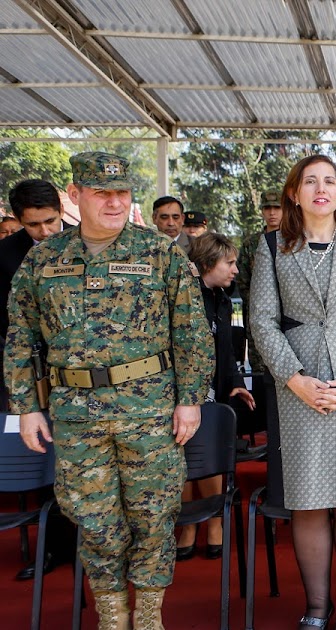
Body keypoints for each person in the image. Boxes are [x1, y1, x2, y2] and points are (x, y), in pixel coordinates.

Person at [5, 151, 211, 629]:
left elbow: (193, 332)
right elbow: (21, 336)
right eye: (102, 193)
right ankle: (112, 617)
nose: (115, 202)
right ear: (76, 196)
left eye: (122, 193)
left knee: (154, 516)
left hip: (150, 410)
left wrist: (190, 400)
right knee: (94, 521)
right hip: (76, 414)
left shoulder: (159, 253)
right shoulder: (44, 258)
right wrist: (27, 409)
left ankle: (149, 618)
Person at [249, 155, 336, 629]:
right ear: (294, 192)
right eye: (310, 181)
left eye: (330, 181)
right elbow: (262, 321)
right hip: (297, 384)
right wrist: (294, 378)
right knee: (307, 498)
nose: (321, 188)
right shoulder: (271, 246)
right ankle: (315, 606)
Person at [1, 178, 71, 581]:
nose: (44, 233)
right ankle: (53, 548)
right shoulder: (6, 257)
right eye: (33, 226)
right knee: (44, 461)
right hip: (32, 375)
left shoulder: (86, 243)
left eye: (50, 222)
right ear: (18, 221)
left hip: (82, 376)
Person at [176, 233, 256, 562]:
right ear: (209, 263)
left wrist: (236, 382)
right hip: (183, 392)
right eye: (230, 263)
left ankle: (214, 523)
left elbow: (225, 347)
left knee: (206, 459)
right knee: (182, 460)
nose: (236, 270)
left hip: (214, 391)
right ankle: (189, 525)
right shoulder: (184, 295)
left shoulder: (221, 298)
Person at [236, 190, 285, 373]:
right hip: (259, 316)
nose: (272, 213)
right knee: (260, 370)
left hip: (290, 316)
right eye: (267, 208)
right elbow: (242, 281)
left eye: (277, 208)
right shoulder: (252, 243)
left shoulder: (295, 240)